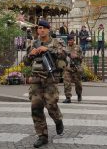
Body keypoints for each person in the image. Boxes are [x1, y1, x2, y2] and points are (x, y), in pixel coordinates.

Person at [23, 20, 65, 148]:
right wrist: (31, 54)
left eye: (43, 28)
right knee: (36, 107)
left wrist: (49, 49)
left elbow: (64, 56)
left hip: (50, 79)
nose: (41, 30)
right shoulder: (32, 44)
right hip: (36, 79)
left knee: (51, 105)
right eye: (39, 28)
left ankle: (58, 120)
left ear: (48, 29)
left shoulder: (56, 42)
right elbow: (25, 62)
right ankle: (42, 136)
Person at [63, 35, 84, 103]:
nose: (70, 41)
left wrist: (77, 56)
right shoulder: (65, 48)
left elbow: (82, 56)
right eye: (69, 40)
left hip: (76, 68)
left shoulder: (78, 47)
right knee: (67, 83)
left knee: (78, 84)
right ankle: (68, 97)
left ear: (73, 40)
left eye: (71, 40)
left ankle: (79, 95)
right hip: (68, 68)